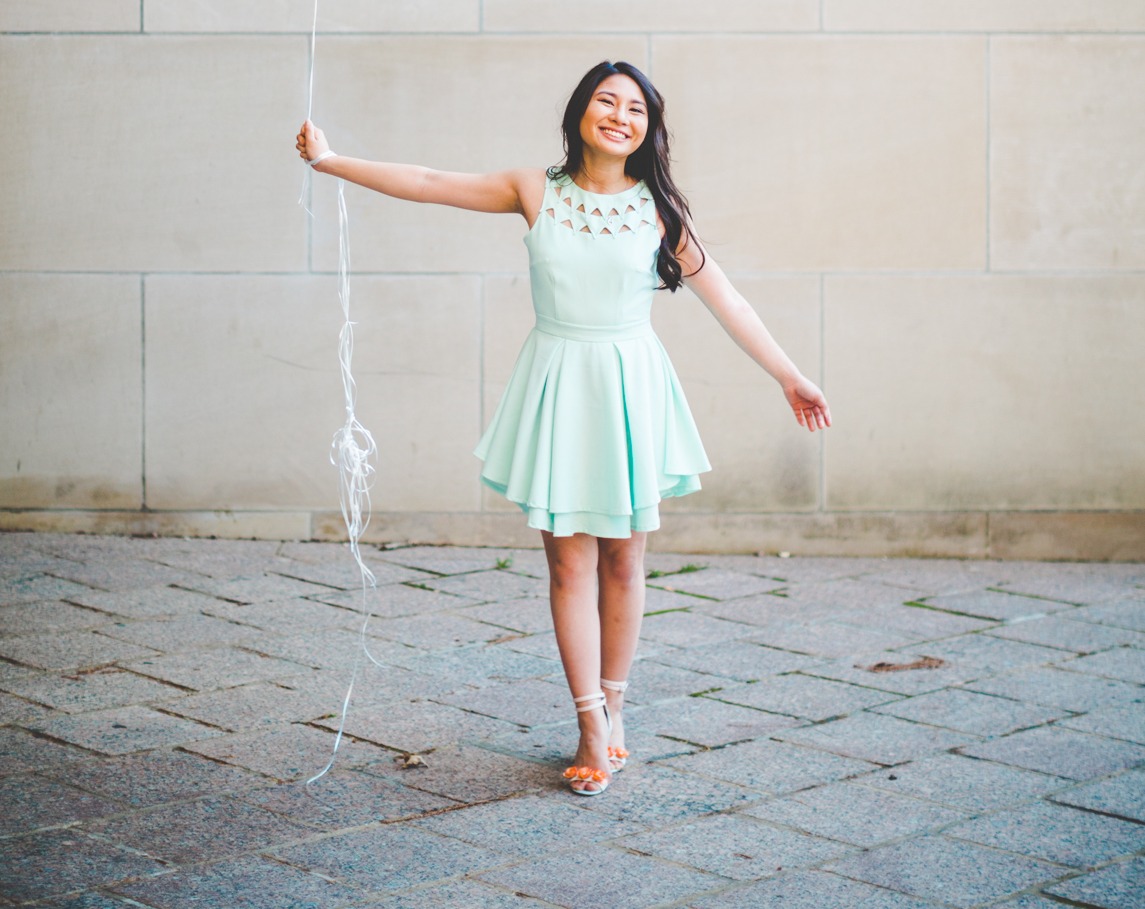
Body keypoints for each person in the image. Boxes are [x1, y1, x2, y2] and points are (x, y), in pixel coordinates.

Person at [297, 59, 830, 796]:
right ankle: (587, 725)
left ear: (649, 127)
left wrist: (789, 374)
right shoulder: (534, 189)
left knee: (624, 563)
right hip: (559, 385)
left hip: (630, 391)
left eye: (636, 108)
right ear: (580, 111)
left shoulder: (660, 211)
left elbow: (729, 299)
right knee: (568, 568)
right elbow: (427, 180)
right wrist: (330, 162)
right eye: (607, 101)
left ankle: (616, 707)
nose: (620, 116)